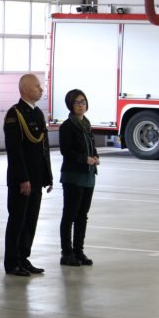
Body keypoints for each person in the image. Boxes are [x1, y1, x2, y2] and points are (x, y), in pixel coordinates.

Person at [3, 74, 53, 276]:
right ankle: (12, 261)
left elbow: (44, 148)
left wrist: (47, 176)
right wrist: (23, 178)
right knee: (18, 220)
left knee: (31, 220)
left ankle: (24, 257)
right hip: (21, 180)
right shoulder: (15, 114)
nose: (41, 89)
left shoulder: (37, 113)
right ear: (24, 89)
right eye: (37, 86)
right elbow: (15, 151)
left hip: (37, 178)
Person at [59, 89, 98, 267]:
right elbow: (66, 151)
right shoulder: (67, 126)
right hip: (73, 176)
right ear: (70, 105)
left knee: (82, 215)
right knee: (70, 215)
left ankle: (78, 251)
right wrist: (84, 159)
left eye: (83, 101)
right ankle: (67, 253)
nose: (81, 105)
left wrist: (95, 157)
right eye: (77, 102)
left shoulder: (87, 125)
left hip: (88, 175)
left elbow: (91, 147)